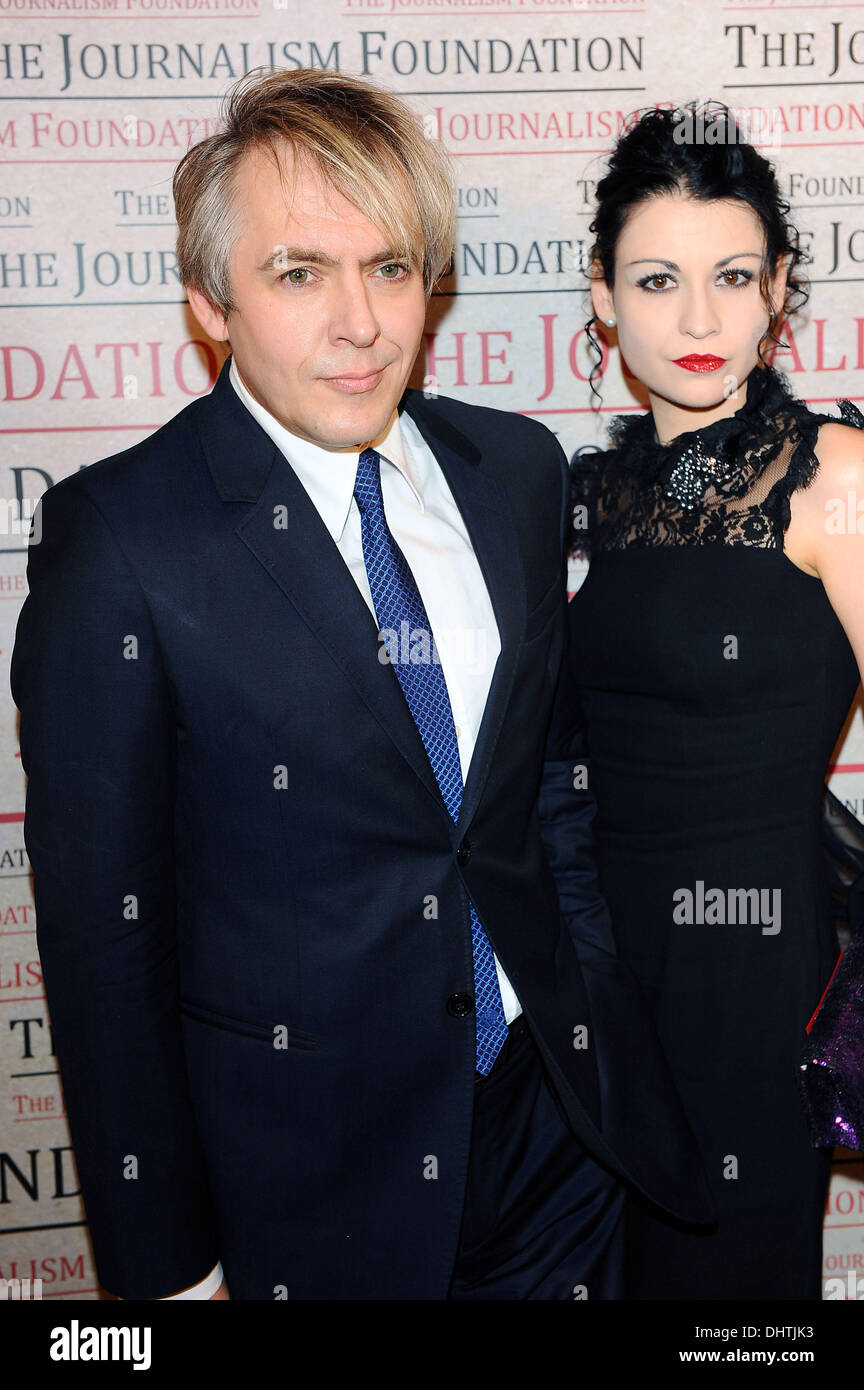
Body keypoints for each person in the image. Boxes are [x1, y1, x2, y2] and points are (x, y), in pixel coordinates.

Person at [10, 68, 712, 1303]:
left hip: (555, 1147)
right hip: (311, 1190)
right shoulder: (121, 542)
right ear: (208, 303)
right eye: (299, 274)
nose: (363, 324)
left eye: (390, 268)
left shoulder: (515, 468)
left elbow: (542, 794)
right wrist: (168, 1275)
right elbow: (104, 949)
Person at [570, 101, 864, 1300]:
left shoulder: (831, 476)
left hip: (753, 966)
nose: (700, 320)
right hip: (597, 968)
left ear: (780, 287)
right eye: (657, 280)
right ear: (602, 295)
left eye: (735, 276)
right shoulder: (585, 496)